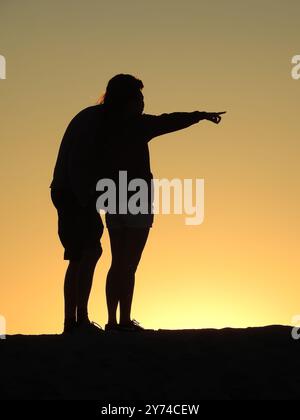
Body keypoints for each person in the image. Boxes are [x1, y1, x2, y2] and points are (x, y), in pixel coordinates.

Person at [95, 74, 225, 332]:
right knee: (129, 263)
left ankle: (112, 320)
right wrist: (200, 115)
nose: (143, 103)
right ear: (128, 100)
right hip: (136, 195)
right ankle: (122, 321)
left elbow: (168, 120)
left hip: (111, 194)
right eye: (139, 98)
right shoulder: (136, 125)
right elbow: (169, 121)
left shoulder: (102, 124)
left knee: (117, 261)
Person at [50, 103, 106, 334]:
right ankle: (80, 320)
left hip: (67, 191)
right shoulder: (95, 121)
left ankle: (71, 323)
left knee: (77, 256)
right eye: (138, 100)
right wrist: (85, 197)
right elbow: (78, 159)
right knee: (90, 251)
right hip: (75, 193)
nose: (141, 107)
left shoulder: (90, 116)